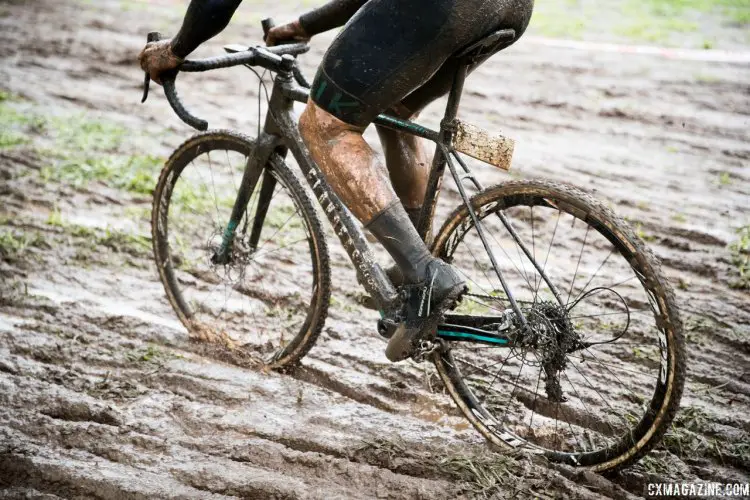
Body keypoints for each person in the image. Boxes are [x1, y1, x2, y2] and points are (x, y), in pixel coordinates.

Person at [139, 0, 533, 361]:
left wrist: (175, 50)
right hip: (510, 8)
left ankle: (425, 273)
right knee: (394, 107)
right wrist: (305, 25)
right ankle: (414, 266)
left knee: (325, 125)